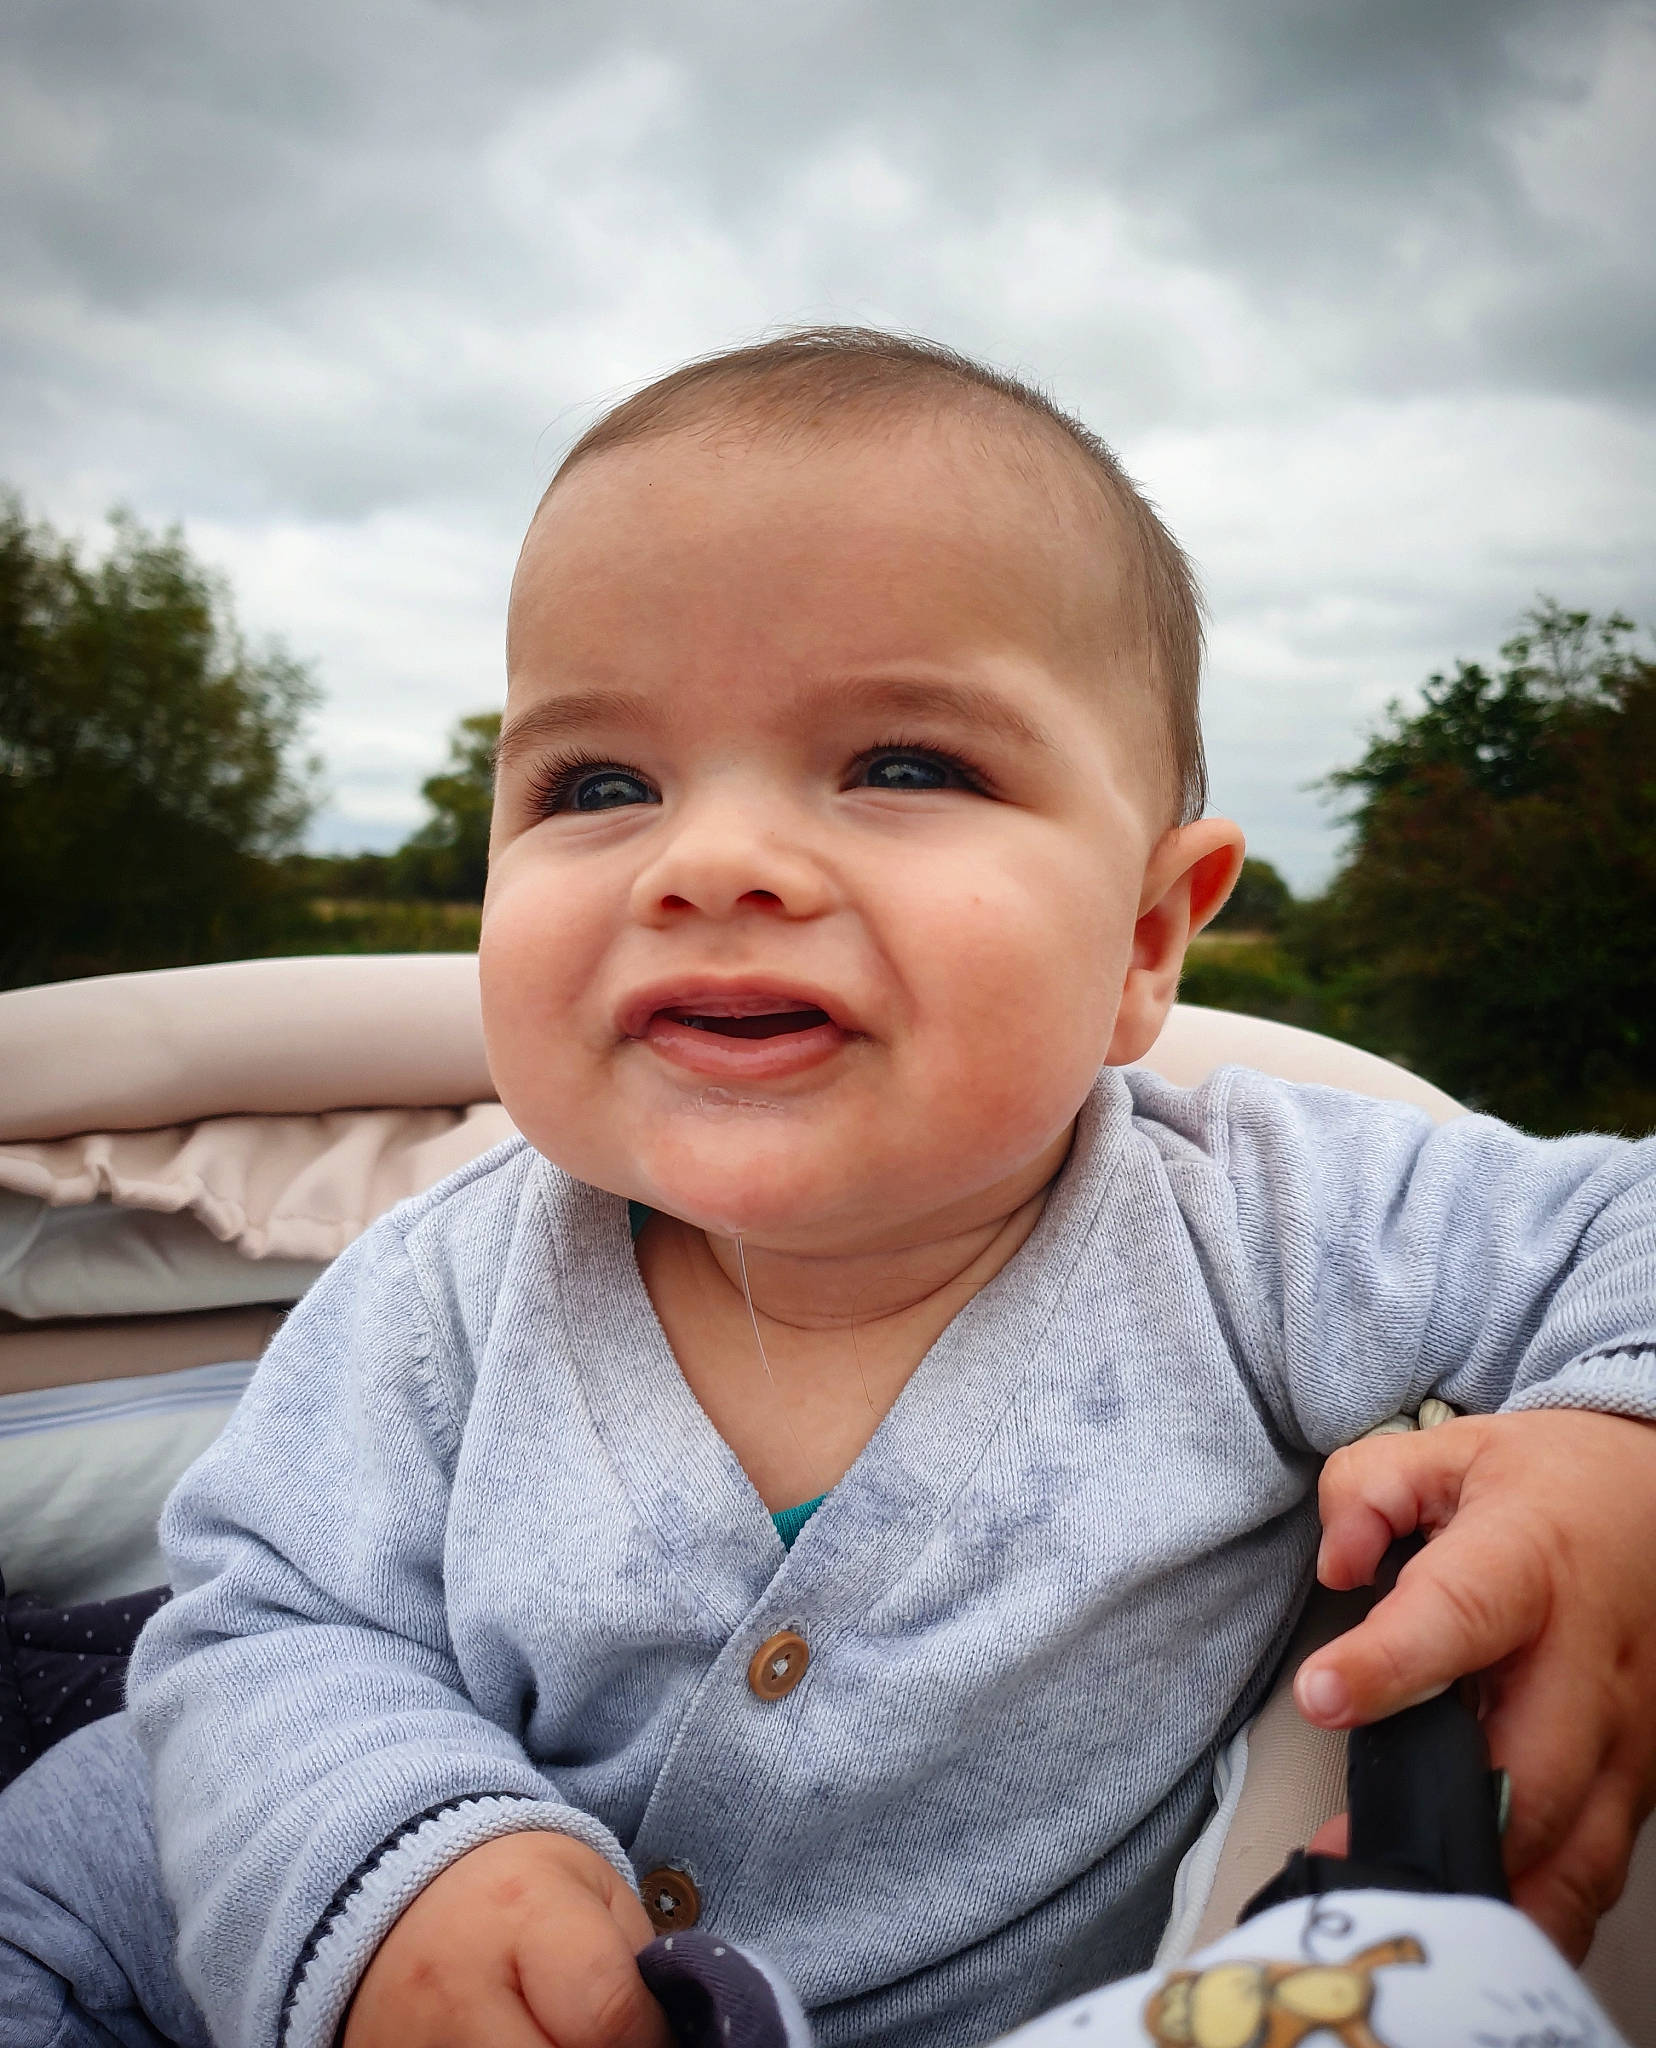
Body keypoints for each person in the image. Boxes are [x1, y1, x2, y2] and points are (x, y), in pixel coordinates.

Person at [2, 329, 1654, 2048]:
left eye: (904, 766)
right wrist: (401, 1869)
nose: (708, 861)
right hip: (189, 1937)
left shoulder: (1264, 1227)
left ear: (1148, 938)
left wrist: (1619, 1458)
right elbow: (264, 1621)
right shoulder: (442, 1293)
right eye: (599, 785)